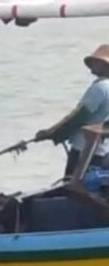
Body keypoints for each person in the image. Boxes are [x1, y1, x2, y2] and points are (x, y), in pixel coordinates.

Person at [35, 44, 109, 177]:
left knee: (71, 186)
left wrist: (51, 133)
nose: (92, 65)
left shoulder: (100, 88)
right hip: (104, 151)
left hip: (85, 150)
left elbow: (79, 117)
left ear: (105, 65)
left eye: (96, 62)